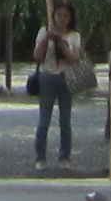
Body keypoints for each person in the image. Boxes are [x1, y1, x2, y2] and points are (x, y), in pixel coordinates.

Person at [28, 9, 88, 169]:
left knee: (65, 120)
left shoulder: (74, 36)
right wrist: (46, 39)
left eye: (66, 16)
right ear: (53, 16)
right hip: (46, 76)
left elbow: (74, 58)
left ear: (70, 18)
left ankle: (64, 157)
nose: (61, 19)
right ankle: (40, 158)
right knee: (44, 120)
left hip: (65, 77)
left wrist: (61, 43)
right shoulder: (44, 32)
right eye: (59, 15)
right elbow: (37, 55)